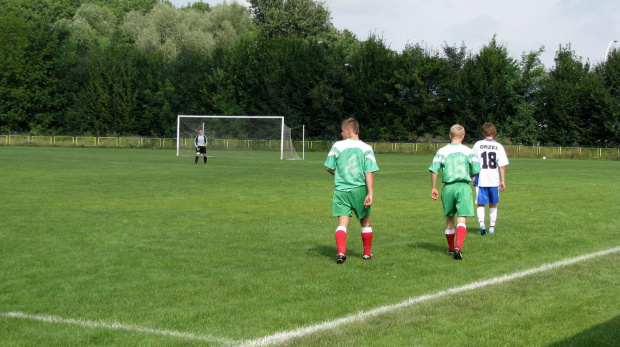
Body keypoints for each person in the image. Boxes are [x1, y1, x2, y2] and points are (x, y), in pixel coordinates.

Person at [324, 118, 379, 264]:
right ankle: (367, 253)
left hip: (341, 190)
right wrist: (370, 193)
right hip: (359, 190)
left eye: (342, 131)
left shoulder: (337, 146)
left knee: (342, 223)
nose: (341, 134)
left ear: (349, 131)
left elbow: (329, 167)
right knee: (365, 222)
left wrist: (339, 175)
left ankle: (341, 252)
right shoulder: (366, 148)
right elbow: (369, 171)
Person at [429, 124, 481, 260]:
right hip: (463, 186)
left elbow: (434, 169)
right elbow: (476, 169)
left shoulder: (442, 151)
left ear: (450, 136)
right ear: (463, 136)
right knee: (462, 218)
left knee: (449, 219)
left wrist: (434, 187)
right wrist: (470, 176)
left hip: (448, 187)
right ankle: (459, 246)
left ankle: (451, 248)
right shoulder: (469, 151)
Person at [472, 122, 509, 235]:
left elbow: (473, 162)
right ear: (495, 132)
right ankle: (492, 228)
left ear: (483, 132)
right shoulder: (498, 146)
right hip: (493, 179)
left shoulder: (478, 144)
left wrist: (473, 176)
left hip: (481, 178)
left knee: (481, 204)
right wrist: (503, 180)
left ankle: (482, 225)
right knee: (493, 203)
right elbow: (501, 165)